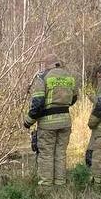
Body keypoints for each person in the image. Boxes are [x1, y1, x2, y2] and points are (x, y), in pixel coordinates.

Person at [23, 53, 79, 186]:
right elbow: (74, 99)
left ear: (46, 65)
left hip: (47, 124)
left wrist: (28, 121)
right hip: (65, 121)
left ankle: (46, 186)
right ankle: (60, 184)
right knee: (60, 153)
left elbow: (37, 103)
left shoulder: (43, 78)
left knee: (46, 155)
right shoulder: (69, 77)